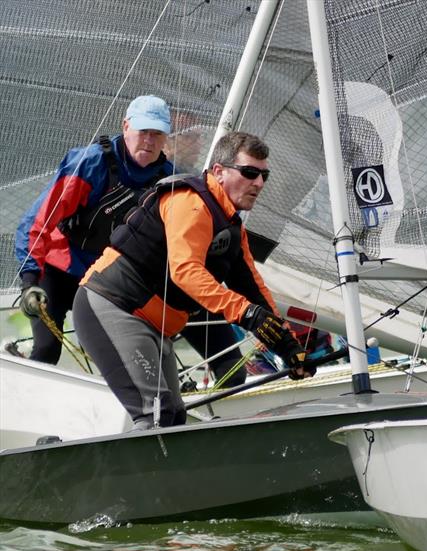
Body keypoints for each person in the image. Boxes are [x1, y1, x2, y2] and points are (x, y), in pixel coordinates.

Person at [71, 131, 314, 428]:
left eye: (265, 175)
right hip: (114, 307)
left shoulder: (231, 226)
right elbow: (185, 271)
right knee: (156, 416)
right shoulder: (189, 201)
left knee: (173, 416)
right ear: (218, 172)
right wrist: (246, 314)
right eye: (250, 173)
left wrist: (289, 347)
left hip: (154, 325)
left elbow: (254, 290)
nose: (259, 183)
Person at [14, 95, 247, 386]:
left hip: (111, 280)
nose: (149, 141)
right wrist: (28, 281)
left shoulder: (172, 182)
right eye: (143, 132)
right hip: (60, 272)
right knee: (47, 349)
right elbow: (37, 223)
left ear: (166, 138)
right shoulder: (89, 163)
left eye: (158, 134)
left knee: (133, 357)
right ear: (126, 127)